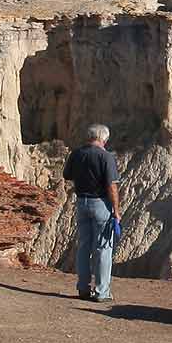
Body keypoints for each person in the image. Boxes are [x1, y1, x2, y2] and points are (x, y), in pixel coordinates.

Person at [62, 123, 121, 302]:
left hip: (81, 202)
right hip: (101, 204)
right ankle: (102, 292)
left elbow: (67, 175)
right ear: (104, 138)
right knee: (103, 248)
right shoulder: (106, 157)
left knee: (84, 246)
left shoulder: (77, 154)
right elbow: (111, 186)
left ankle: (83, 288)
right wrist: (116, 211)